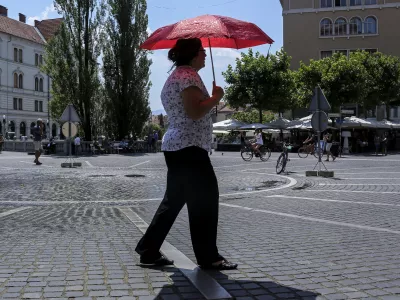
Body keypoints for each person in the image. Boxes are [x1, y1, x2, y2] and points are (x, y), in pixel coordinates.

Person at [135, 38, 237, 270]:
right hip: (189, 147)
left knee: (173, 202)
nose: (205, 55)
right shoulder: (188, 77)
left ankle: (149, 251)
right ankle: (208, 257)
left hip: (178, 146)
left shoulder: (176, 77)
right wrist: (216, 98)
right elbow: (194, 111)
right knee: (205, 201)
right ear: (192, 54)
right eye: (202, 51)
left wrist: (210, 99)